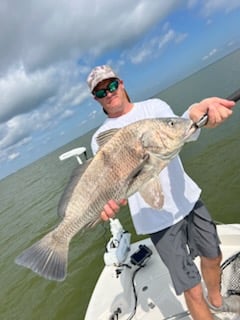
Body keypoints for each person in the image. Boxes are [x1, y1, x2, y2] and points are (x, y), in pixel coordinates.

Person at [86, 65, 239, 320]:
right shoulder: (101, 138)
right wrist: (104, 203)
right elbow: (110, 182)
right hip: (157, 220)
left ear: (121, 83)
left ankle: (217, 300)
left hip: (188, 200)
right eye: (101, 91)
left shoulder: (154, 107)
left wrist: (194, 114)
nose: (109, 92)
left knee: (213, 255)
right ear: (96, 99)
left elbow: (181, 129)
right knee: (190, 286)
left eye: (111, 85)